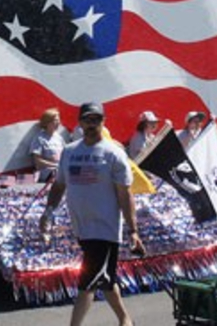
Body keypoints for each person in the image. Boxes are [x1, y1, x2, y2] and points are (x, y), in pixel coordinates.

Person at [39, 102, 144, 326]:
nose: (91, 124)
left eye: (96, 119)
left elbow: (125, 194)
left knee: (87, 282)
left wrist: (133, 231)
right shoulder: (69, 152)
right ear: (80, 122)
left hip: (104, 229)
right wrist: (47, 213)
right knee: (104, 279)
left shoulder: (114, 153)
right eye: (87, 119)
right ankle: (125, 319)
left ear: (103, 122)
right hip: (82, 228)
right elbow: (59, 186)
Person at [30, 107, 65, 183]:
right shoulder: (39, 138)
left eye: (59, 120)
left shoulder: (59, 138)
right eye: (55, 120)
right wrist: (55, 165)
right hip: (47, 176)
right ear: (47, 122)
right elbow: (37, 161)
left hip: (60, 172)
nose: (58, 123)